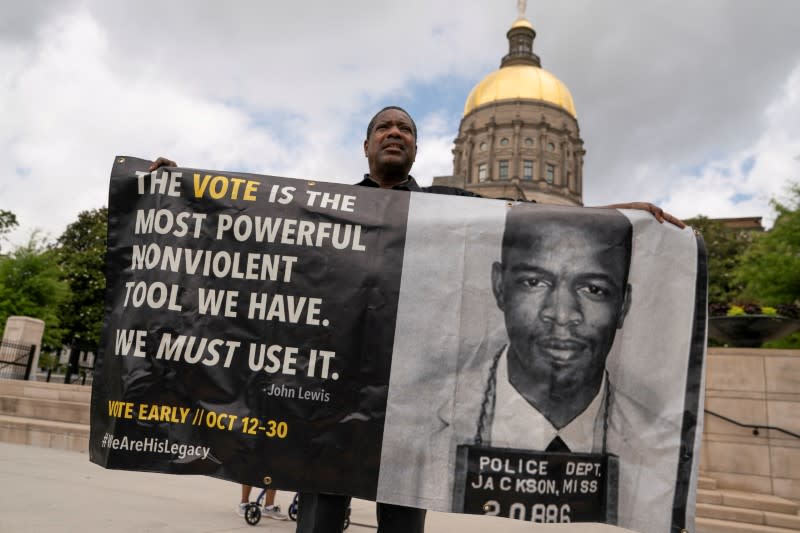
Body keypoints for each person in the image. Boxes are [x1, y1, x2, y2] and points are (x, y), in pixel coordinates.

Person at [148, 105, 683, 533]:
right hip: (329, 398)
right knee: (319, 517)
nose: (394, 132)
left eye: (405, 127)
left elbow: (526, 222)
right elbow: (255, 218)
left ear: (416, 147)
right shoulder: (331, 206)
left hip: (410, 398)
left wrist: (611, 216)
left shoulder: (447, 210)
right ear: (367, 144)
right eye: (384, 126)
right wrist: (182, 190)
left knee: (402, 522)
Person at [474, 205, 633, 452]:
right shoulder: (419, 417)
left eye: (593, 289)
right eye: (534, 282)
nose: (561, 315)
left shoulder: (662, 439)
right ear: (499, 286)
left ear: (623, 305)